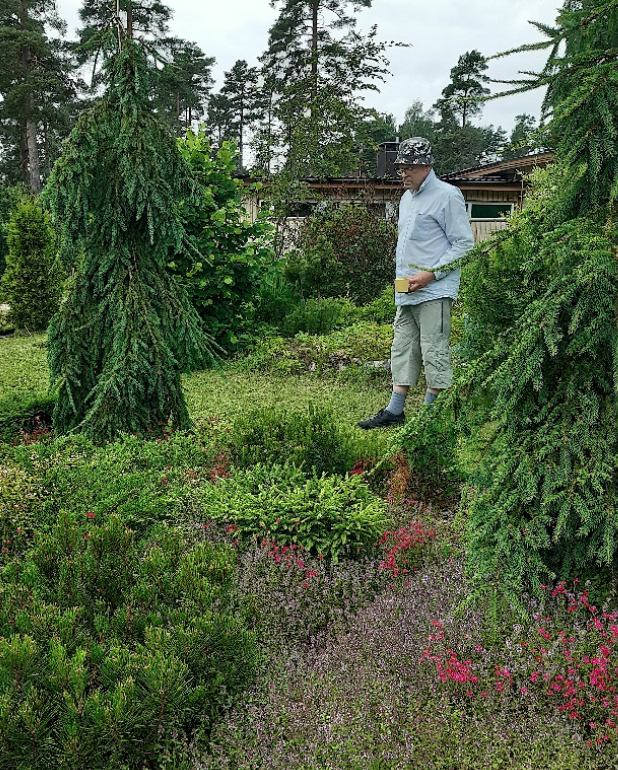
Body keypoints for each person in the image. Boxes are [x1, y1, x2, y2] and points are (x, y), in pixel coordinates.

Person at [358, 137, 474, 429]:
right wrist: (402, 283)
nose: (403, 174)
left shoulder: (448, 196)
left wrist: (430, 275)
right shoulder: (407, 198)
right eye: (400, 168)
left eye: (408, 168)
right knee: (402, 346)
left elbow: (463, 245)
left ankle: (428, 419)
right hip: (405, 288)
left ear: (426, 166)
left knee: (434, 349)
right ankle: (395, 411)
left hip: (434, 289)